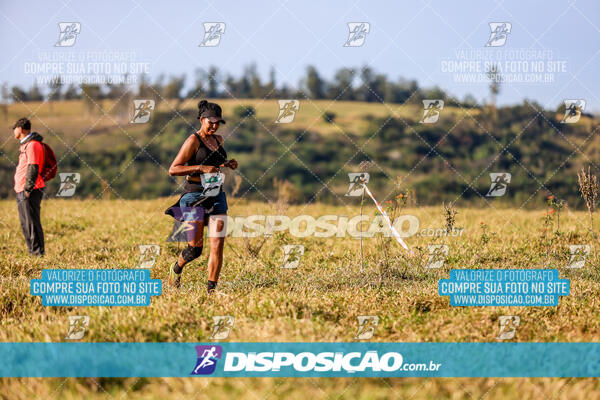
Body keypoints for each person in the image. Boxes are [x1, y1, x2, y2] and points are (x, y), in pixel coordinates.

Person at [165, 100, 238, 293]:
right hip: (194, 196)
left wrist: (227, 164)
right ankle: (176, 268)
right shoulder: (193, 141)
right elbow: (173, 169)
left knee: (217, 244)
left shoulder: (219, 140)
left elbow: (214, 164)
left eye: (218, 122)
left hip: (216, 195)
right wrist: (200, 168)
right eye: (211, 122)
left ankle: (211, 291)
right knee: (195, 249)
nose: (214, 126)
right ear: (201, 119)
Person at [13, 117, 46, 256]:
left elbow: (33, 167)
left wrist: (28, 189)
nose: (13, 132)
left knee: (32, 223)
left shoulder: (32, 145)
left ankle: (38, 254)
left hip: (30, 190)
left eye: (14, 129)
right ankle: (32, 252)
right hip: (21, 189)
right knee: (25, 223)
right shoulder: (25, 145)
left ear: (20, 129)